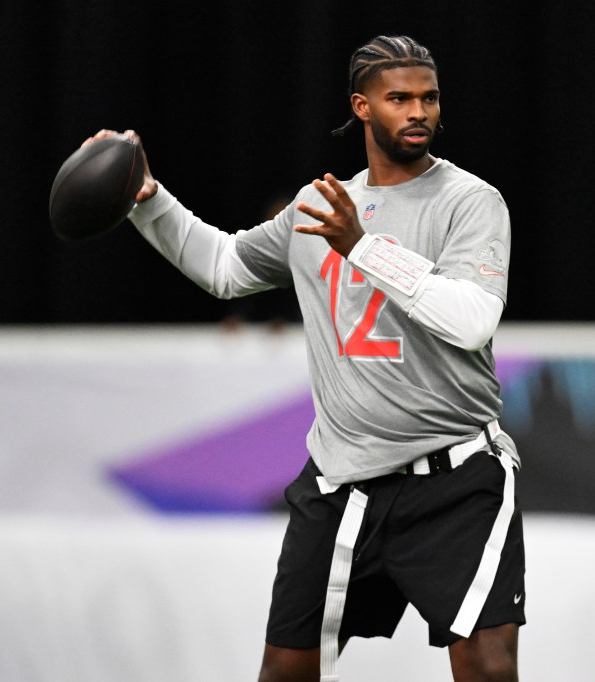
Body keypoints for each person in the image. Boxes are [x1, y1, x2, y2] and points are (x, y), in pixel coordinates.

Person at [86, 35, 523, 682]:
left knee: (487, 668)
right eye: (398, 97)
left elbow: (472, 319)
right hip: (343, 481)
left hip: (457, 480)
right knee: (285, 672)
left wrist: (363, 246)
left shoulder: (471, 201)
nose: (418, 111)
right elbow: (225, 267)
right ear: (362, 106)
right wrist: (147, 199)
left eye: (428, 97)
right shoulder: (317, 208)